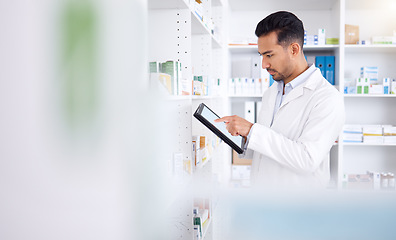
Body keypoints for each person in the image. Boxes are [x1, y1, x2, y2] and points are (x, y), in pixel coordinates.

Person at [215, 11, 345, 189]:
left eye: (269, 55)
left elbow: (307, 159)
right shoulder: (271, 93)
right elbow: (270, 148)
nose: (264, 65)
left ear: (294, 49)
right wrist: (244, 139)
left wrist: (252, 130)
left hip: (297, 208)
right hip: (264, 202)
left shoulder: (326, 98)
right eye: (261, 56)